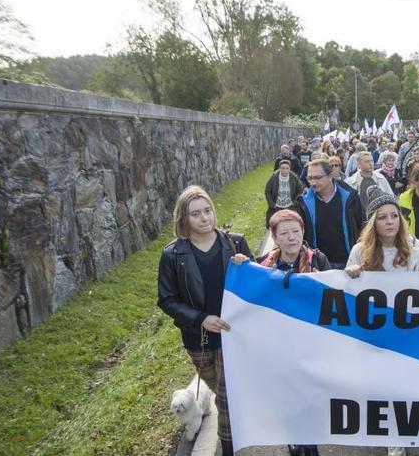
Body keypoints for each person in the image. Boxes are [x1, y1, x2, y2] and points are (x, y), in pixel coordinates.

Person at [157, 185, 254, 456]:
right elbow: (166, 299)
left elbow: (257, 286)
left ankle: (229, 450)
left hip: (233, 335)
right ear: (184, 219)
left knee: (226, 398)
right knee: (217, 389)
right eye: (196, 214)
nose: (204, 218)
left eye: (207, 210)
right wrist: (201, 319)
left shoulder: (235, 243)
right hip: (197, 340)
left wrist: (246, 266)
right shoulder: (173, 255)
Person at [257, 209, 328, 456]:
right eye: (284, 233)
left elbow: (334, 297)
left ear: (303, 233)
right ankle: (294, 441)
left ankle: (310, 443)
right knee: (287, 397)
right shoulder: (262, 266)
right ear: (274, 237)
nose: (291, 238)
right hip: (280, 346)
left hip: (311, 344)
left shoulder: (318, 260)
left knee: (309, 397)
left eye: (295, 231)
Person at [295, 159, 366, 269]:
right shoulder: (303, 203)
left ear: (330, 175)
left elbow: (363, 226)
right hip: (317, 264)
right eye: (310, 178)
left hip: (349, 262)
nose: (313, 182)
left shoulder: (351, 197)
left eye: (318, 177)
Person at [264, 160, 304, 228]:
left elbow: (300, 190)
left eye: (287, 168)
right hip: (277, 206)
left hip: (290, 205)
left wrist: (294, 202)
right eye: (283, 168)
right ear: (279, 168)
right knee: (276, 225)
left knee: (291, 224)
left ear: (289, 169)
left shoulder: (294, 177)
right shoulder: (274, 177)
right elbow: (267, 191)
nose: (285, 170)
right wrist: (272, 204)